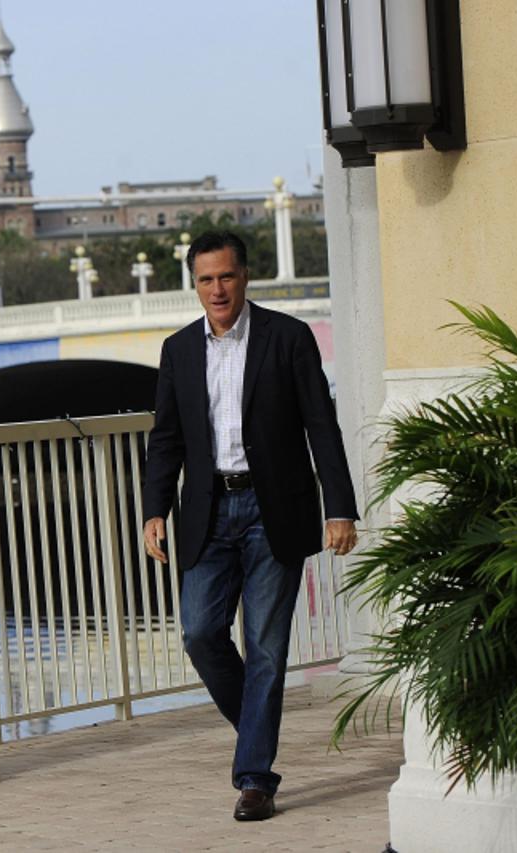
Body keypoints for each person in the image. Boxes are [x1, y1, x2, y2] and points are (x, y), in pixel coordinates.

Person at [142, 230, 358, 822]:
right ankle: (255, 734)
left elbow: (321, 424)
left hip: (274, 512)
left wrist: (339, 507)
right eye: (206, 279)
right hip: (207, 513)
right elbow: (166, 439)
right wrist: (153, 510)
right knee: (200, 633)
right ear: (195, 285)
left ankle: (255, 778)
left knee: (266, 647)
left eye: (227, 277)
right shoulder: (178, 350)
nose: (218, 289)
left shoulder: (288, 338)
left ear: (245, 278)